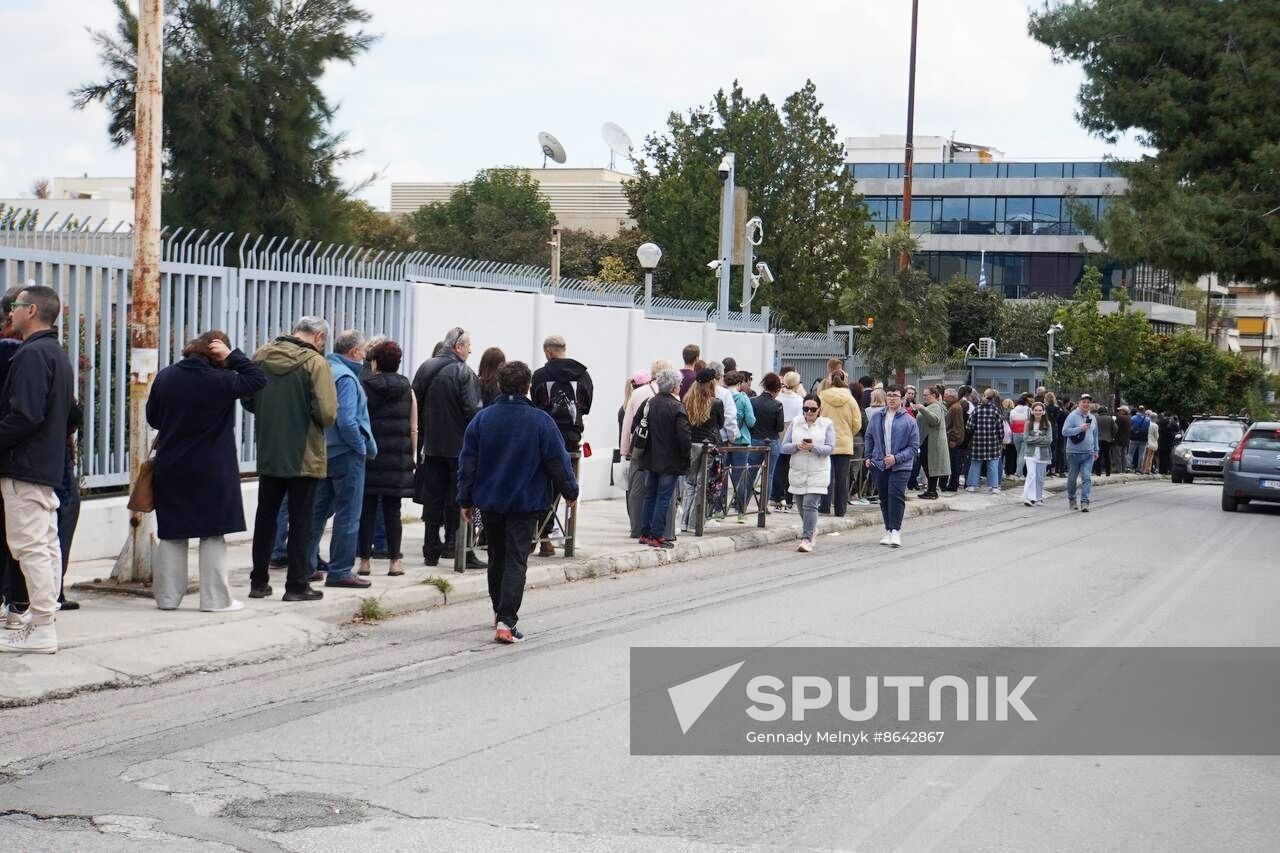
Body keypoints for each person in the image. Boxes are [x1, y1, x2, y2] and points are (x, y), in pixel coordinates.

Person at [458, 360, 578, 644]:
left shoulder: (482, 420)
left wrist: (465, 499)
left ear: (500, 385)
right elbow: (557, 462)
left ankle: (498, 612)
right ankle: (507, 620)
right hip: (526, 502)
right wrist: (570, 491)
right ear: (528, 387)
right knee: (515, 560)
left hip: (490, 501)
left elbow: (467, 464)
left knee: (496, 558)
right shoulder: (541, 421)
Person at [145, 330, 266, 612]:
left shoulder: (166, 376)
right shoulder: (222, 380)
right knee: (213, 533)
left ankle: (167, 598)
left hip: (172, 465)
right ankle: (214, 600)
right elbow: (258, 380)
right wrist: (233, 357)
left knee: (172, 532)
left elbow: (153, 417)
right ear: (217, 354)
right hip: (213, 467)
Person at [0, 285, 75, 654]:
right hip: (44, 463)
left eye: (15, 306)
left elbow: (24, 416)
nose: (10, 312)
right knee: (45, 544)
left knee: (29, 547)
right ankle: (42, 620)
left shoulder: (32, 354)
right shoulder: (56, 353)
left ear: (31, 311)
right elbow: (70, 412)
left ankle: (43, 627)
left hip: (24, 465)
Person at [243, 317, 337, 603]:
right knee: (301, 521)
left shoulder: (261, 355)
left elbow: (248, 400)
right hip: (304, 454)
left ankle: (258, 582)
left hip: (270, 451)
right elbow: (327, 413)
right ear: (319, 337)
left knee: (266, 517)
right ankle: (296, 586)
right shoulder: (315, 364)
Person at [304, 330, 377, 589]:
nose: (367, 356)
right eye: (365, 351)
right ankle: (340, 570)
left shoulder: (323, 369)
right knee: (348, 514)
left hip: (322, 451)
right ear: (355, 352)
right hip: (346, 454)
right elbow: (346, 420)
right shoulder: (346, 377)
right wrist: (360, 447)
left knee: (317, 512)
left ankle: (306, 565)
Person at [412, 326, 484, 569]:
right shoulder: (464, 372)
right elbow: (474, 413)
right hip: (459, 448)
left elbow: (415, 405)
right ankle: (456, 546)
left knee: (433, 498)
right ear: (458, 347)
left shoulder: (425, 367)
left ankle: (430, 548)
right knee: (459, 497)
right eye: (468, 346)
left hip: (431, 447)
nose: (471, 350)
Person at [531, 334, 594, 555]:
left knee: (540, 486)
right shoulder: (584, 376)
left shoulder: (539, 376)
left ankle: (541, 534)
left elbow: (536, 406)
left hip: (545, 438)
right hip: (571, 440)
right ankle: (554, 535)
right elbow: (586, 407)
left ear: (549, 351)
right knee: (563, 487)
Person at [358, 339, 416, 577]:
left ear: (375, 362)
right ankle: (395, 562)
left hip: (370, 455)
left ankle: (364, 562)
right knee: (393, 511)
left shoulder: (364, 386)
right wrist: (411, 454)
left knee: (367, 509)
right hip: (397, 457)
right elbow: (414, 426)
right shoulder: (407, 387)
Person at [637, 369, 691, 547]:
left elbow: (637, 424)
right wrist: (685, 457)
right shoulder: (677, 407)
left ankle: (644, 533)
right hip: (669, 460)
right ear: (675, 387)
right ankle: (656, 535)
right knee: (663, 498)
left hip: (650, 457)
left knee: (650, 496)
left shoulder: (649, 402)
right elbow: (684, 437)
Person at [621, 359, 674, 538]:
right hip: (666, 450)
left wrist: (625, 450)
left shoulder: (638, 393)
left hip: (641, 448)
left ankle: (637, 529)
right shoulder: (673, 395)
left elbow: (628, 424)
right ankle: (664, 530)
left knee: (637, 490)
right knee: (665, 492)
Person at [864, 385, 920, 548]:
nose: (892, 398)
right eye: (889, 395)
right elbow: (869, 436)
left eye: (895, 395)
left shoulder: (909, 420)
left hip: (901, 466)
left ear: (902, 398)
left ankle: (896, 530)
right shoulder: (877, 417)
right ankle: (888, 529)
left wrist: (896, 458)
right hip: (880, 464)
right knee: (884, 497)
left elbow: (913, 446)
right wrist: (869, 456)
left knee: (896, 495)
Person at [781, 394, 835, 553]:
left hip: (818, 470)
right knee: (801, 507)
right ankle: (811, 529)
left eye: (813, 409)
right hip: (798, 470)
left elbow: (830, 448)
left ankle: (806, 538)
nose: (809, 412)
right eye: (806, 409)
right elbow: (784, 446)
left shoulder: (826, 424)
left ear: (819, 410)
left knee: (810, 503)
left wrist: (813, 448)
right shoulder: (796, 422)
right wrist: (797, 446)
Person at [680, 369, 725, 533]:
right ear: (712, 383)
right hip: (709, 447)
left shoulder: (686, 400)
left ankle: (683, 521)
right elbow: (720, 424)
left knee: (690, 484)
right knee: (702, 485)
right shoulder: (716, 403)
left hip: (691, 445)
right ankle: (694, 522)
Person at [817, 369, 861, 517]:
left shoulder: (822, 397)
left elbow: (817, 417)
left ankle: (824, 506)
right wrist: (848, 434)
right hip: (844, 443)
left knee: (826, 476)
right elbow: (857, 423)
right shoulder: (850, 399)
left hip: (825, 443)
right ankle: (840, 509)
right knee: (842, 478)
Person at [749, 373, 785, 515]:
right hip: (772, 441)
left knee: (750, 472)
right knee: (769, 474)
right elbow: (780, 427)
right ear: (776, 389)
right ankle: (763, 506)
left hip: (754, 440)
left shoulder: (752, 401)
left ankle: (741, 504)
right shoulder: (777, 405)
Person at [725, 371, 756, 522]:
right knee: (740, 477)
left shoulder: (721, 396)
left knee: (722, 476)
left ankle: (718, 510)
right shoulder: (743, 399)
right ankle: (741, 512)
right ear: (739, 383)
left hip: (724, 441)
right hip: (741, 441)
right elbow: (751, 421)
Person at [1061, 392, 1100, 511]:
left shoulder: (1092, 418)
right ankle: (1072, 499)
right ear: (1079, 403)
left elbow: (1095, 434)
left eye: (1088, 402)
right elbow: (1065, 431)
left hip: (1088, 453)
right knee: (1072, 478)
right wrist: (1080, 428)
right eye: (1084, 402)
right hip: (1073, 452)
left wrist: (1096, 450)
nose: (1086, 404)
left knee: (1087, 477)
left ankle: (1085, 502)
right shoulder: (1072, 416)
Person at [772, 371, 805, 510]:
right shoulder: (798, 399)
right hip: (791, 430)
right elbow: (799, 418)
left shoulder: (778, 397)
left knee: (777, 465)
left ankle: (776, 495)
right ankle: (787, 494)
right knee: (789, 465)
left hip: (778, 430)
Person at [912, 385, 949, 499]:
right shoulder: (931, 406)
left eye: (926, 395)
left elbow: (934, 420)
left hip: (932, 441)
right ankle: (931, 490)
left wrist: (922, 409)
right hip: (927, 439)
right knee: (927, 465)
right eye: (923, 395)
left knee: (930, 466)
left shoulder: (936, 406)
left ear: (933, 395)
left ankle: (932, 491)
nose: (924, 397)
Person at [966, 389, 1004, 494]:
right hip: (993, 442)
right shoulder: (996, 410)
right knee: (992, 464)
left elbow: (969, 426)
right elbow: (1000, 428)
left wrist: (975, 432)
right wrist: (1000, 439)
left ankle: (972, 485)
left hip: (978, 441)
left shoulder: (977, 409)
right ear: (993, 398)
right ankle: (994, 486)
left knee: (976, 463)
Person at [1022, 402, 1054, 506]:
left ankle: (1038, 497)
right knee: (1031, 475)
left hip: (1043, 454)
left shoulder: (1047, 424)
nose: (1038, 412)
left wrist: (1034, 439)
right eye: (1036, 410)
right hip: (1030, 453)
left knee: (1040, 477)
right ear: (1032, 411)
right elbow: (1026, 439)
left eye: (1040, 410)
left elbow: (1049, 440)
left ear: (1043, 412)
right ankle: (1028, 497)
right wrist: (1041, 439)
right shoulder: (1028, 423)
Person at [944, 388, 967, 493]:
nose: (944, 398)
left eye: (946, 396)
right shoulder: (953, 407)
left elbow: (957, 425)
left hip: (953, 440)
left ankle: (953, 484)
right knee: (953, 463)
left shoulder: (956, 408)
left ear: (952, 397)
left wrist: (954, 439)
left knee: (954, 463)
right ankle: (953, 483)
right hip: (952, 439)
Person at [1009, 394, 1030, 479]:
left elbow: (1011, 422)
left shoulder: (1013, 411)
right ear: (1026, 402)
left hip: (1015, 433)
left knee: (1019, 454)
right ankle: (1019, 473)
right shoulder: (1029, 410)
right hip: (1025, 433)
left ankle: (1018, 471)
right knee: (1023, 454)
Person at [1093, 405, 1115, 477]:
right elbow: (1115, 428)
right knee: (1107, 456)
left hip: (1098, 439)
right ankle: (1108, 472)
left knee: (1098, 456)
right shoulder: (1110, 418)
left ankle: (1098, 472)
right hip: (1108, 440)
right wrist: (1112, 435)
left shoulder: (1096, 418)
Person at [1128, 405, 1150, 472]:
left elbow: (1130, 427)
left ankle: (1128, 467)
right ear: (1144, 410)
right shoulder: (1147, 419)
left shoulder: (1133, 418)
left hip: (1134, 438)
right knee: (1141, 454)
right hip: (1143, 439)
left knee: (1130, 453)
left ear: (1138, 410)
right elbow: (1148, 429)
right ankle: (1139, 468)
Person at [1114, 405, 1132, 474]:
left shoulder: (1120, 418)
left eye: (1120, 410)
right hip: (1126, 439)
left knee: (1118, 455)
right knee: (1124, 455)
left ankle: (1119, 469)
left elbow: (1115, 427)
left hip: (1118, 439)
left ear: (1124, 411)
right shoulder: (1129, 418)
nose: (1119, 411)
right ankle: (1124, 469)